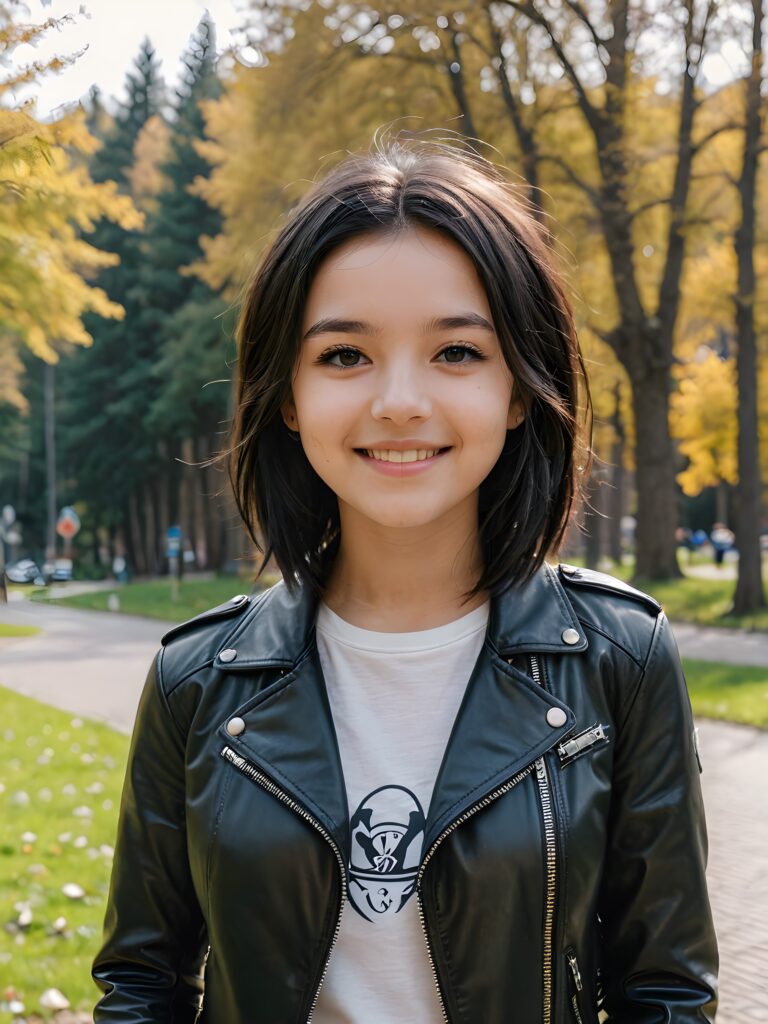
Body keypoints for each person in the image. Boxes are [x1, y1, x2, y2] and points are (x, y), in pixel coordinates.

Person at [91, 134, 718, 1022]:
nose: (398, 400)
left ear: (517, 387)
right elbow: (141, 985)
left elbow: (666, 990)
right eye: (344, 355)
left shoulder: (622, 661)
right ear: (288, 394)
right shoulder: (196, 683)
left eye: (456, 352)